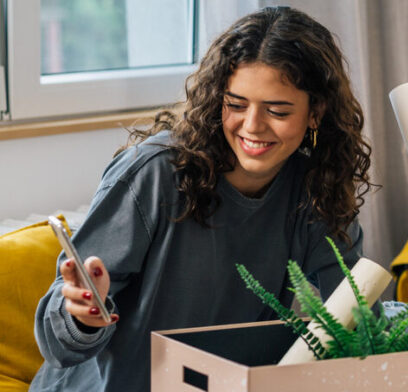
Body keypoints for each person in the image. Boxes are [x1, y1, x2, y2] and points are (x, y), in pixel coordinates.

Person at [30, 6, 373, 392]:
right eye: (237, 104)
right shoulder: (155, 173)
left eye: (277, 110)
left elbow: (357, 313)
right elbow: (58, 341)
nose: (252, 126)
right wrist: (81, 316)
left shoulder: (313, 189)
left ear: (316, 112)